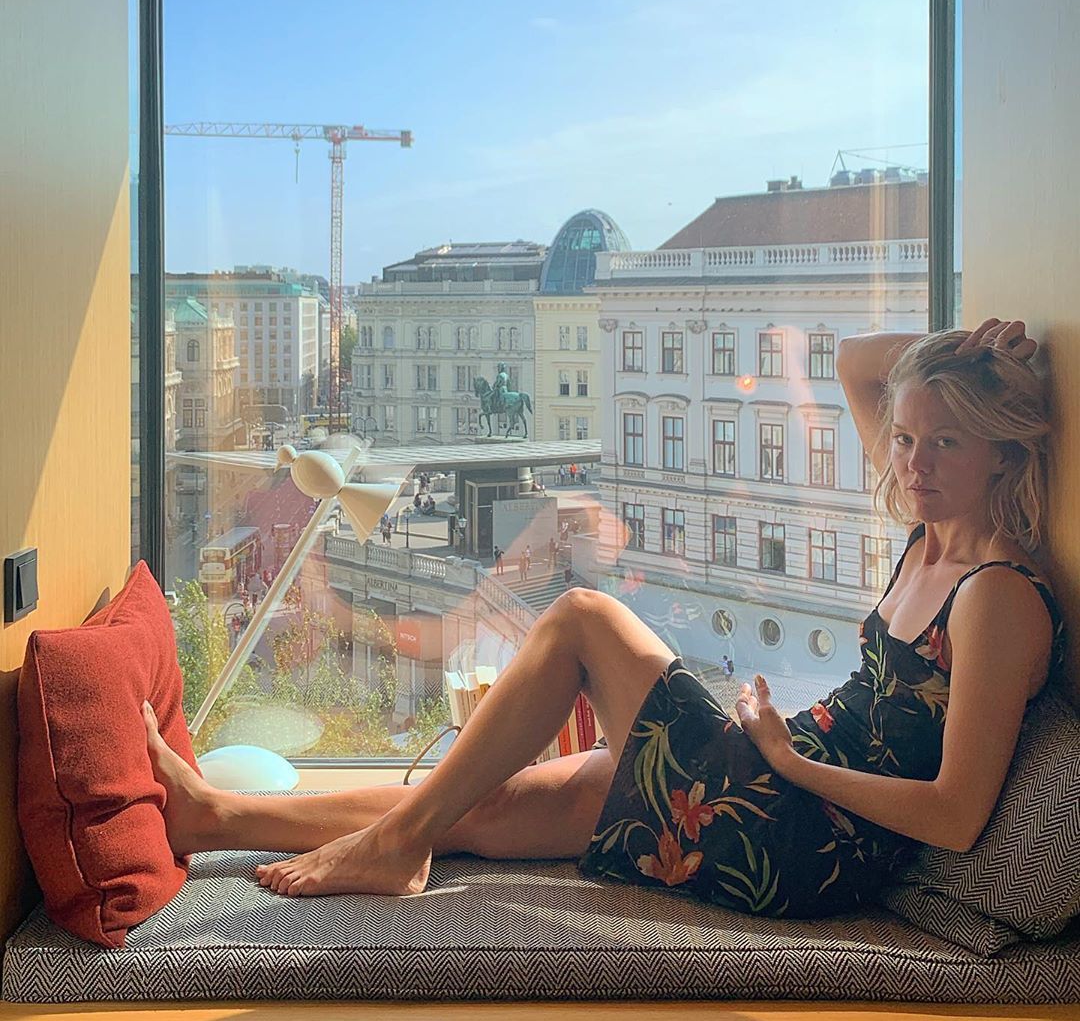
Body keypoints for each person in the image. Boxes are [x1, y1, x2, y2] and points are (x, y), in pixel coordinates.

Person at [142, 319, 1065, 920]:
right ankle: (214, 816)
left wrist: (789, 760)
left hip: (795, 830)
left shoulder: (996, 595)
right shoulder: (930, 534)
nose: (913, 463)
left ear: (1004, 451)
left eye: (947, 441)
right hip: (774, 780)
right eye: (905, 438)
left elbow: (955, 816)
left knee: (584, 616)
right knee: (488, 802)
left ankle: (390, 845)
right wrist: (963, 345)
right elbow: (861, 361)